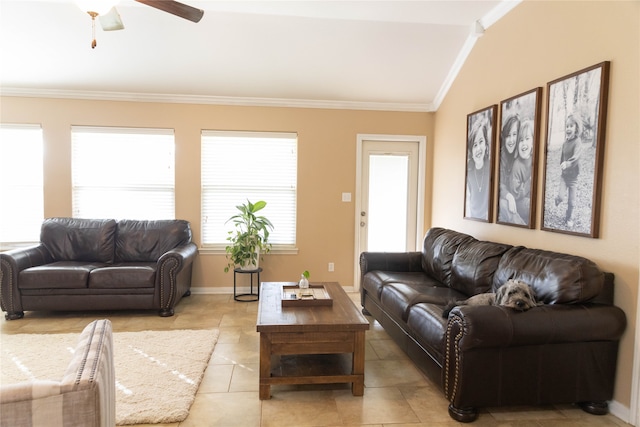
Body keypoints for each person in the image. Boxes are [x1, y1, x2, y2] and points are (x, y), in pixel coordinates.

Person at [555, 114, 583, 228]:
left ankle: (569, 218)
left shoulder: (577, 142)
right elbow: (562, 157)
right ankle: (557, 199)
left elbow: (576, 157)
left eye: (571, 126)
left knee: (572, 202)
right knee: (561, 197)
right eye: (567, 126)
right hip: (564, 176)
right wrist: (562, 164)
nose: (568, 128)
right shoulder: (564, 143)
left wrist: (568, 163)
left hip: (573, 178)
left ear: (576, 128)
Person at [508, 119, 534, 225]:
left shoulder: (533, 159)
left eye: (527, 139)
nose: (524, 143)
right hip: (519, 202)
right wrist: (530, 182)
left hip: (529, 196)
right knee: (531, 205)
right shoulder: (517, 164)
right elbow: (515, 192)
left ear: (532, 142)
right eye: (521, 140)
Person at [498, 114, 522, 224]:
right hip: (506, 198)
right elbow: (499, 184)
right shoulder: (501, 156)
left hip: (519, 196)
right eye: (508, 135)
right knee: (503, 203)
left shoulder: (522, 153)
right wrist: (508, 196)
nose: (511, 140)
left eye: (514, 134)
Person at [466, 120, 491, 219]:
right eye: (475, 145)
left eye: (481, 142)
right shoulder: (468, 169)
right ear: (471, 150)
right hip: (472, 218)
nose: (478, 149)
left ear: (486, 144)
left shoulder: (491, 167)